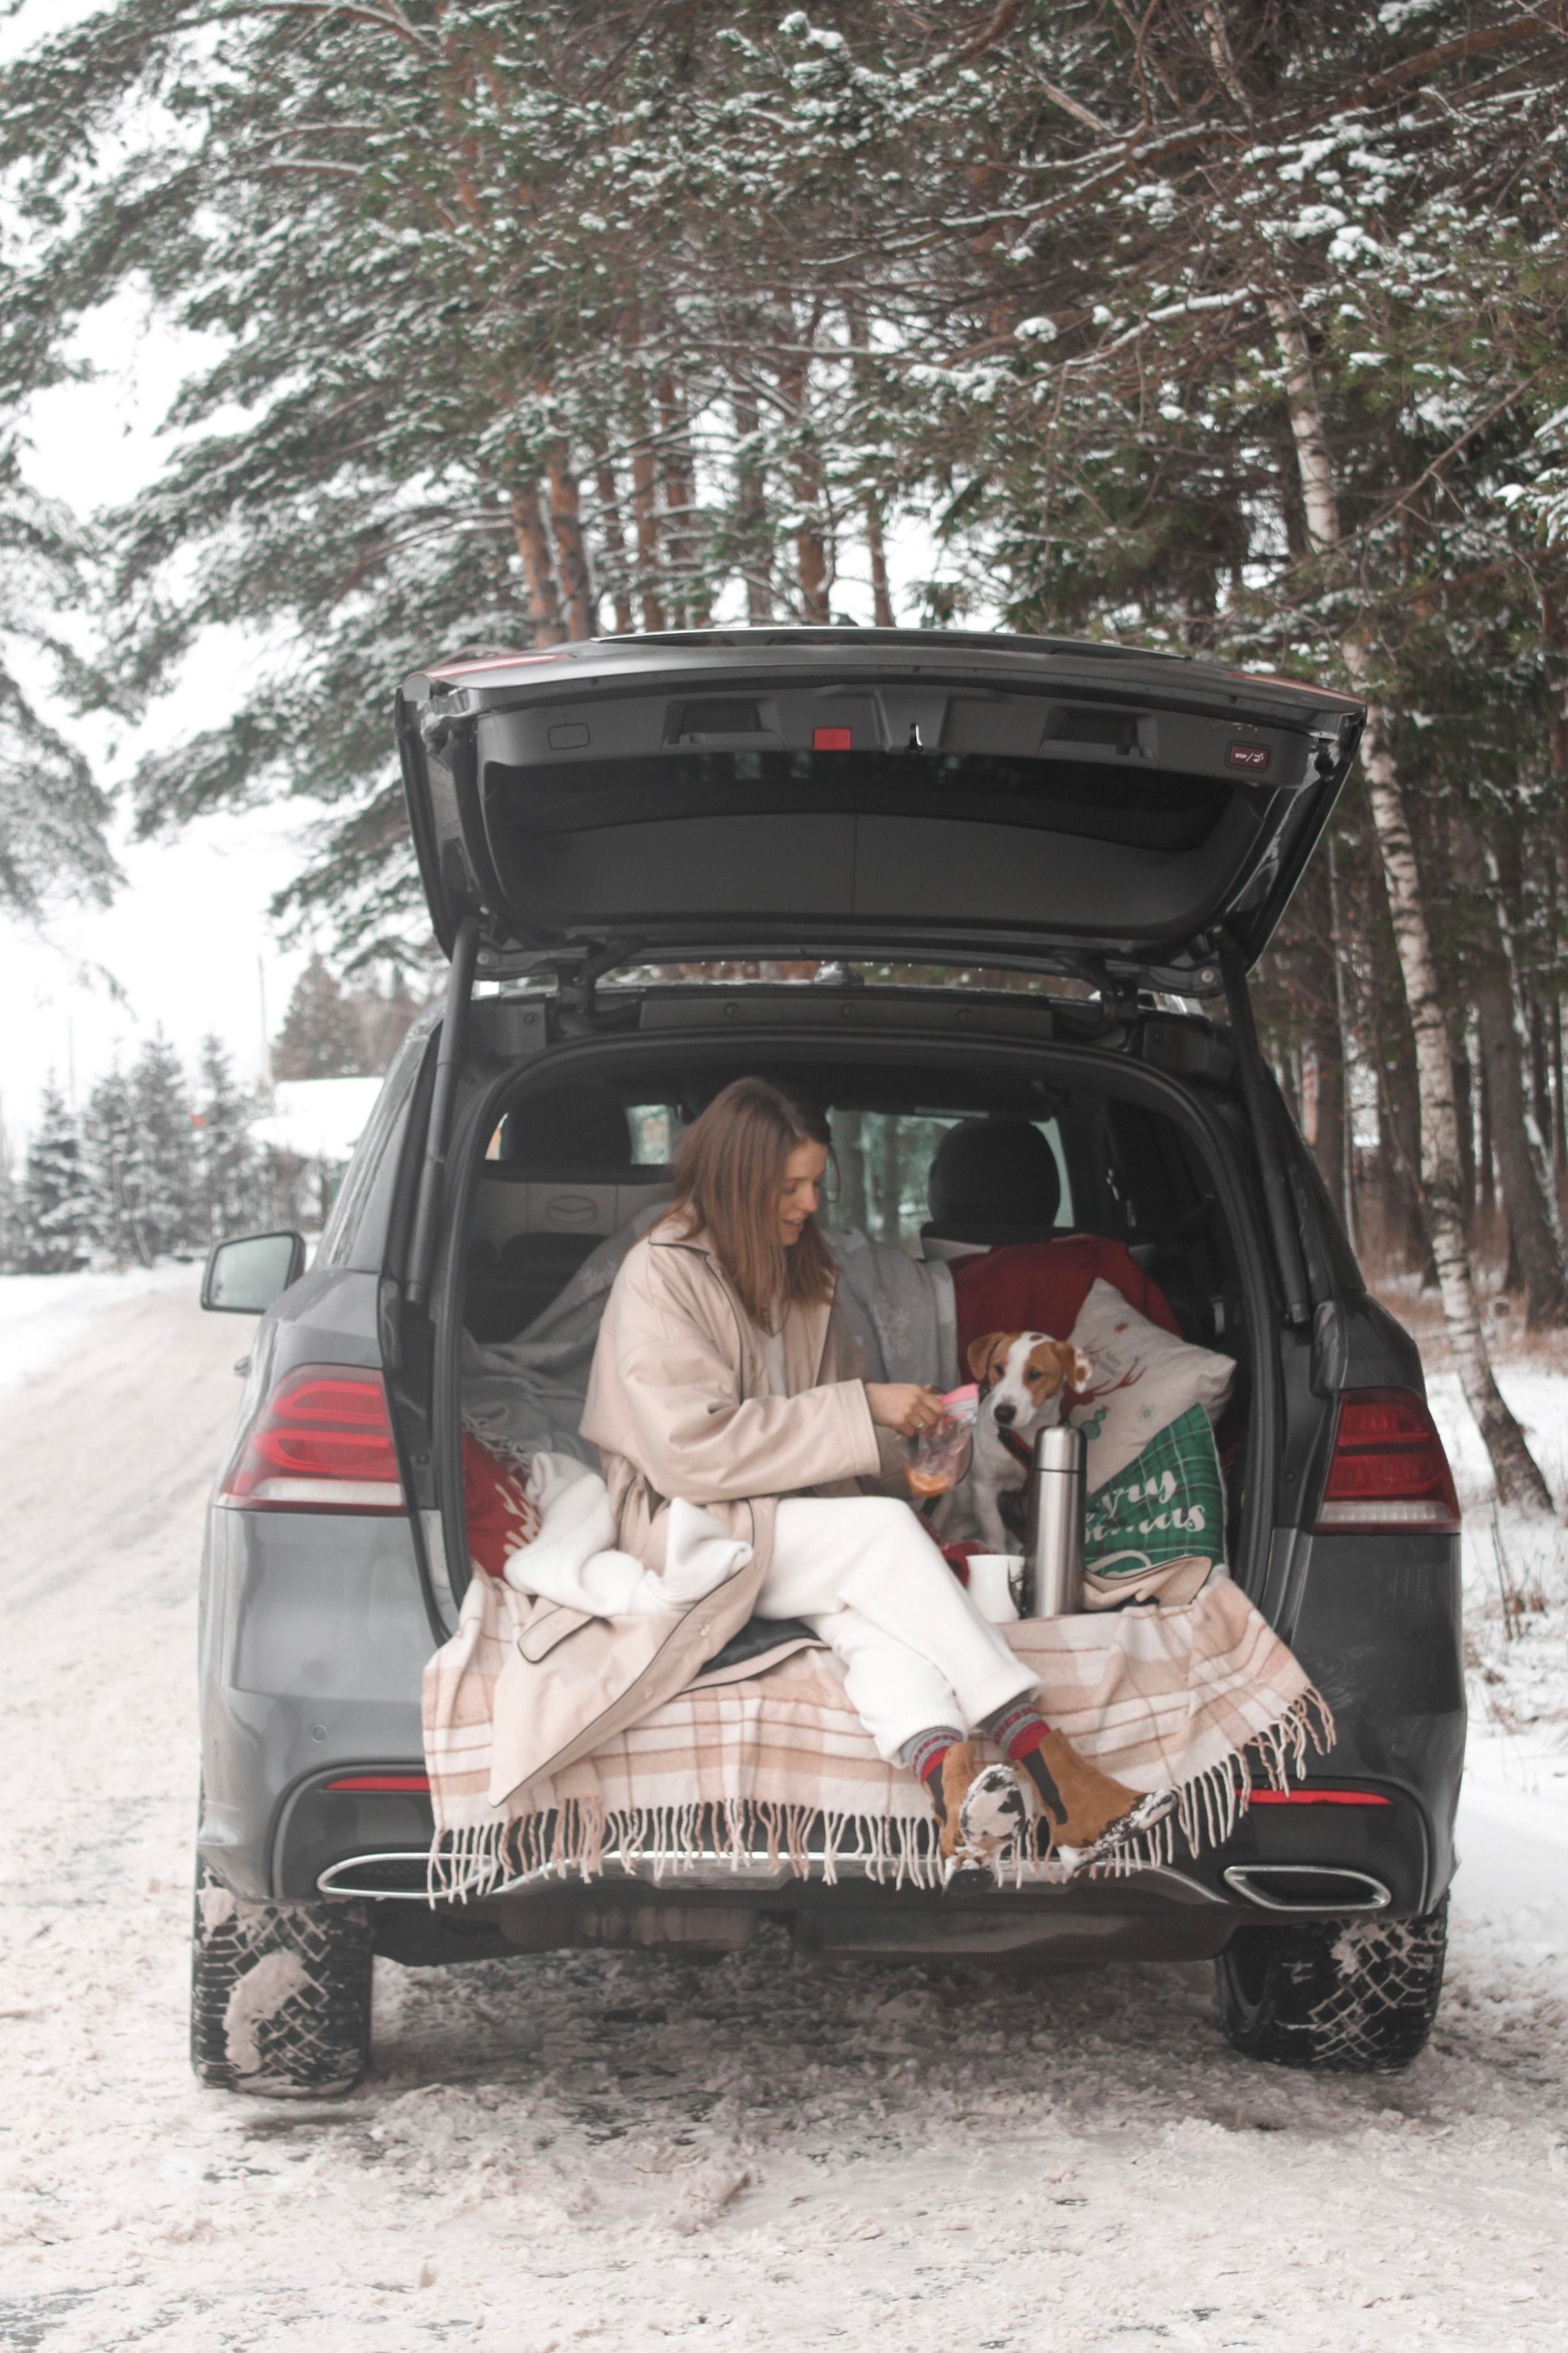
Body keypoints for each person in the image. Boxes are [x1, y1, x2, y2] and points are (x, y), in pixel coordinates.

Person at [580, 1076, 1172, 1868]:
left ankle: (949, 1778)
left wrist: (916, 1463)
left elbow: (851, 1440)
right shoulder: (661, 1274)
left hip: (797, 1519)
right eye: (789, 1185)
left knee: (877, 1616)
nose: (811, 1201)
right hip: (690, 1519)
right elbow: (694, 1449)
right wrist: (866, 1412)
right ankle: (1047, 1761)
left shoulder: (803, 1271)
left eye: (817, 1180)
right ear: (735, 1182)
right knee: (884, 1538)